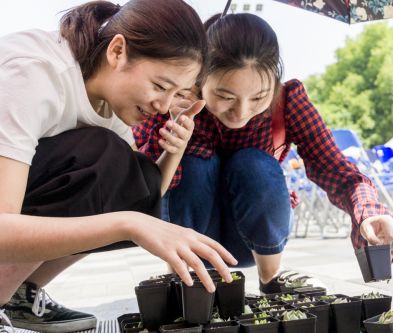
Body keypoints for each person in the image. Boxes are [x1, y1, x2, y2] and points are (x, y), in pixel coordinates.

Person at [0, 1, 238, 332]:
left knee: (121, 168)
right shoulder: (35, 73)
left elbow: (137, 193)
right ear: (117, 51)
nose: (164, 106)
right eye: (159, 86)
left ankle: (18, 295)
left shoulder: (105, 103)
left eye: (176, 94)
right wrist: (127, 224)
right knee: (100, 154)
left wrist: (174, 150)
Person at [134, 13, 393, 295]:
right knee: (193, 162)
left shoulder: (287, 103)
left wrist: (369, 213)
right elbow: (143, 187)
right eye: (226, 96)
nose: (241, 112)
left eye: (257, 98)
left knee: (253, 163)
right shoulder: (173, 98)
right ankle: (183, 280)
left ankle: (271, 277)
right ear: (200, 77)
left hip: (253, 239)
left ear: (274, 84)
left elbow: (335, 168)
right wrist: (171, 129)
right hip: (187, 238)